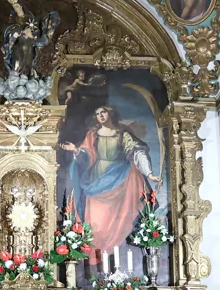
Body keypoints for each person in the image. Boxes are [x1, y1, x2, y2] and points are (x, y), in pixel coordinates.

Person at [60, 106, 161, 260]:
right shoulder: (92, 135)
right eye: (97, 114)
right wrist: (75, 150)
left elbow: (137, 152)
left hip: (119, 177)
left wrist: (149, 173)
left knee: (119, 221)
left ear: (110, 113)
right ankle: (96, 255)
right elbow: (85, 155)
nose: (100, 116)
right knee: (95, 221)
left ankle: (112, 257)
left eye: (103, 112)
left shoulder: (123, 134)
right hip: (97, 179)